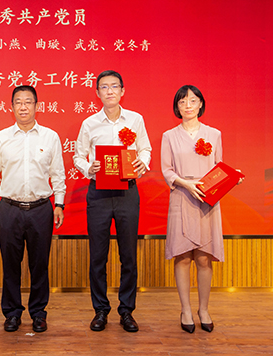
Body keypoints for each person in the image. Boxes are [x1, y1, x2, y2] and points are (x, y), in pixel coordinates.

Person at [73, 70, 151, 332]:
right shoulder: (89, 123)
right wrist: (89, 167)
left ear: (122, 91)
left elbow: (145, 149)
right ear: (97, 93)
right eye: (104, 87)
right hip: (99, 193)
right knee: (98, 255)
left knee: (128, 255)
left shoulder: (136, 119)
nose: (109, 91)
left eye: (114, 86)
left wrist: (142, 162)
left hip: (127, 192)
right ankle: (100, 310)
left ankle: (127, 310)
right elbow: (78, 156)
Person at [0, 85, 66, 333]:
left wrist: (59, 203)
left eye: (28, 102)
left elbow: (58, 173)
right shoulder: (1, 138)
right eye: (18, 102)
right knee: (11, 265)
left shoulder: (50, 137)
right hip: (9, 208)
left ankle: (39, 313)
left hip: (41, 208)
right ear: (11, 107)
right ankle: (12, 313)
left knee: (39, 264)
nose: (23, 107)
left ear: (37, 106)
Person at [161, 85, 242, 333]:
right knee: (183, 256)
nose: (188, 105)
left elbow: (219, 167)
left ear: (200, 104)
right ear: (177, 107)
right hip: (182, 196)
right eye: (182, 101)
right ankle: (185, 309)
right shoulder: (169, 136)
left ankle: (204, 309)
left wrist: (233, 177)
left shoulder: (214, 134)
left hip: (207, 199)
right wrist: (186, 183)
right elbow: (167, 170)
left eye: (193, 100)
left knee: (204, 257)